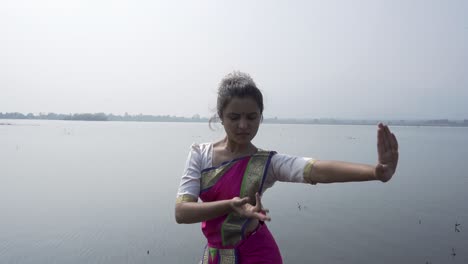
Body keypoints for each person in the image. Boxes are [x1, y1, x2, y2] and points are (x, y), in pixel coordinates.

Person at [175, 71, 399, 264]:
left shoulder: (267, 162)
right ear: (220, 117)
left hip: (258, 254)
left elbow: (314, 169)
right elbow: (182, 213)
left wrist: (375, 172)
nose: (243, 125)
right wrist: (230, 205)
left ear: (261, 117)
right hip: (214, 256)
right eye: (234, 117)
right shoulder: (200, 154)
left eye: (252, 117)